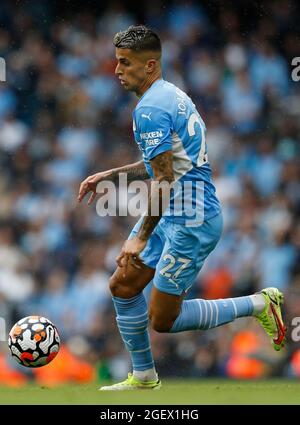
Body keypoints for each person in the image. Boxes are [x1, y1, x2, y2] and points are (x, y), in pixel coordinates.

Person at [78, 25, 286, 390]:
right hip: (174, 210)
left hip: (193, 219)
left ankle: (258, 304)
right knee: (124, 285)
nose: (117, 70)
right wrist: (111, 174)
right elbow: (166, 164)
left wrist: (139, 237)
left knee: (162, 319)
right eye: (117, 62)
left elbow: (162, 179)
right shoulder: (172, 95)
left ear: (150, 65)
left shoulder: (149, 110)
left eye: (125, 63)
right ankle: (143, 376)